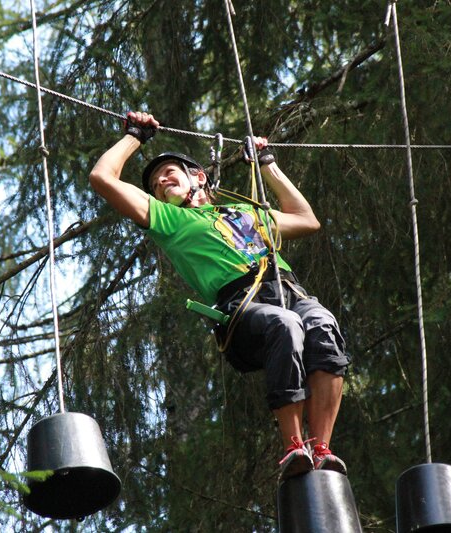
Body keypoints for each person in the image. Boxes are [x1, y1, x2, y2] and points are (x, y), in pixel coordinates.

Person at [89, 111, 350, 481]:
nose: (161, 182)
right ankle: (294, 447)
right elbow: (102, 178)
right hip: (243, 304)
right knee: (285, 324)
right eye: (155, 183)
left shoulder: (245, 212)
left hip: (288, 289)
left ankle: (321, 449)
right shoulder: (168, 221)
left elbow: (307, 220)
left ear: (199, 176)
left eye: (168, 173)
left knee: (323, 325)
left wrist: (267, 165)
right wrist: (135, 136)